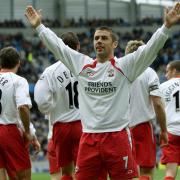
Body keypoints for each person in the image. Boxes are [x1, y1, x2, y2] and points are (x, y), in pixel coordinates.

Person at [25, 3, 180, 179]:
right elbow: (58, 47)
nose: (99, 40)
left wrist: (166, 27)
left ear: (114, 44)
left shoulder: (125, 66)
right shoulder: (82, 65)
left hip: (117, 137)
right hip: (89, 138)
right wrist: (39, 26)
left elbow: (150, 49)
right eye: (96, 38)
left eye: (104, 38)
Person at [34, 32, 82, 180]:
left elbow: (41, 101)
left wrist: (51, 108)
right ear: (78, 47)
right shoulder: (87, 65)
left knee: (66, 173)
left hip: (61, 126)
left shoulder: (50, 71)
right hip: (84, 125)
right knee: (84, 171)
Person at [125, 40, 168, 180]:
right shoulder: (149, 73)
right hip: (142, 127)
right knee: (146, 173)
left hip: (120, 129)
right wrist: (163, 130)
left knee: (124, 173)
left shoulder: (118, 71)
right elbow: (158, 103)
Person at [0, 47, 32, 180]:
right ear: (18, 63)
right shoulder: (19, 80)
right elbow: (23, 107)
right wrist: (27, 131)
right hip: (8, 130)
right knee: (23, 176)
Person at [159, 60, 180, 180]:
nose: (166, 75)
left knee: (170, 174)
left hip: (171, 132)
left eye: (167, 71)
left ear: (174, 71)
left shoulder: (162, 87)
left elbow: (157, 108)